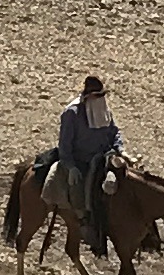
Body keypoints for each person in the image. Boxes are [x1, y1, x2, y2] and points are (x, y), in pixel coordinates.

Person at [47, 75, 122, 249]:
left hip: (105, 156)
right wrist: (71, 166)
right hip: (82, 160)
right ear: (88, 97)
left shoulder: (103, 109)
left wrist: (121, 149)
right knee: (79, 187)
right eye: (97, 96)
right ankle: (84, 222)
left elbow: (114, 131)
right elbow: (65, 144)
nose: (101, 99)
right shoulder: (72, 113)